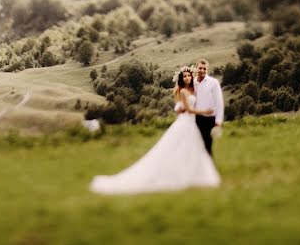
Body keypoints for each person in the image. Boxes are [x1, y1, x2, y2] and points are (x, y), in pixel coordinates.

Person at [89, 66, 220, 195]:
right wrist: (206, 111)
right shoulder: (183, 92)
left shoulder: (192, 89)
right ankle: (179, 175)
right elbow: (190, 109)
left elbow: (187, 104)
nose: (187, 77)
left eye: (188, 75)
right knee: (180, 148)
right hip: (185, 122)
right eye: (184, 76)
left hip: (192, 123)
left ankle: (193, 174)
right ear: (181, 78)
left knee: (192, 148)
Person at [191, 58, 224, 157]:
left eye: (204, 69)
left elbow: (219, 102)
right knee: (197, 145)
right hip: (196, 118)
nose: (202, 70)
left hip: (210, 118)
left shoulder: (213, 82)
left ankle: (209, 168)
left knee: (208, 145)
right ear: (196, 68)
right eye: (200, 68)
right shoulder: (192, 83)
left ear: (207, 70)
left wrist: (218, 121)